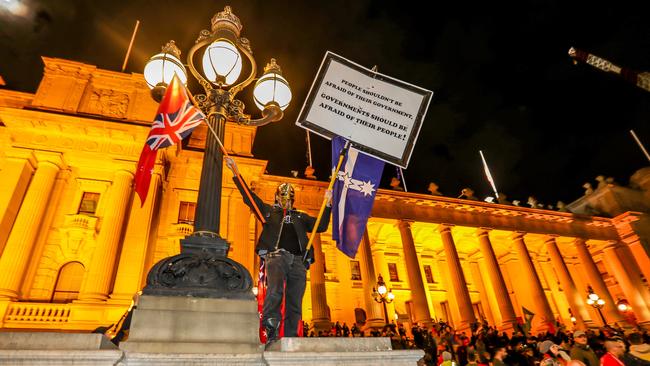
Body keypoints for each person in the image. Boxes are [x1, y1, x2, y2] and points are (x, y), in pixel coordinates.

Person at [225, 157, 331, 347]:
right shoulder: (268, 212)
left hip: (299, 261)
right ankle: (271, 334)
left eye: (289, 195)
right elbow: (250, 198)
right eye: (282, 194)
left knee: (295, 301)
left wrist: (328, 204)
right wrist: (236, 173)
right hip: (277, 256)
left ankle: (290, 339)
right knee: (274, 293)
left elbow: (321, 226)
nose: (285, 198)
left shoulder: (300, 217)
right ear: (276, 197)